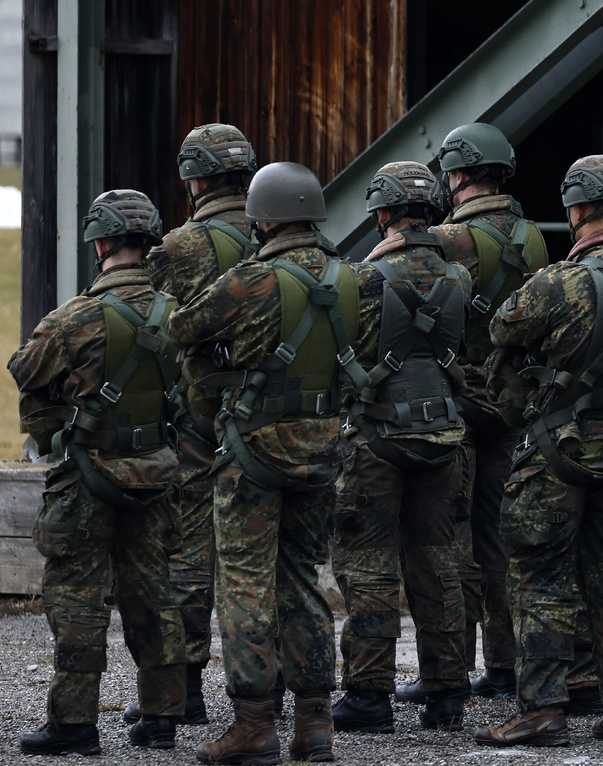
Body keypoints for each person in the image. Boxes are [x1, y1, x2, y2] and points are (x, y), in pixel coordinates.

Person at [172, 162, 363, 764]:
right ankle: (315, 723)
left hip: (254, 452)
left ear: (263, 219)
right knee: (304, 582)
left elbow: (182, 326)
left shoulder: (250, 280)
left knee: (247, 584)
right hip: (324, 450)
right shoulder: (352, 278)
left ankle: (254, 725)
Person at [473, 155, 603, 747]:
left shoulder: (562, 280)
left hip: (561, 446)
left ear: (577, 207)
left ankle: (544, 709)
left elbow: (503, 328)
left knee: (539, 575)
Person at [13, 190, 187, 755]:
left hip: (87, 476)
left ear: (102, 242)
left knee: (76, 598)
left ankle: (75, 725)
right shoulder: (175, 313)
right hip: (157, 474)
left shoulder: (75, 318)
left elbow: (26, 369)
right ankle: (161, 718)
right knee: (154, 594)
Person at [330, 161, 474, 733]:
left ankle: (368, 696)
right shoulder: (459, 278)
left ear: (382, 212)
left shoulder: (361, 279)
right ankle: (446, 694)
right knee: (440, 563)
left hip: (376, 437)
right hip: (444, 435)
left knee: (368, 567)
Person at [414, 122, 549, 703]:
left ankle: (448, 673)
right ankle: (505, 664)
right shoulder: (535, 235)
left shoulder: (450, 240)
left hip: (461, 399)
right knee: (503, 538)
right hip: (516, 402)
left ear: (461, 172)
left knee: (455, 537)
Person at [128, 123, 257, 727]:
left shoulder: (182, 246)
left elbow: (147, 316)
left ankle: (184, 693)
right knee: (265, 561)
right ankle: (266, 690)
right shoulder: (280, 229)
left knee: (186, 553)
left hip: (199, 421)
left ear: (195, 178)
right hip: (268, 416)